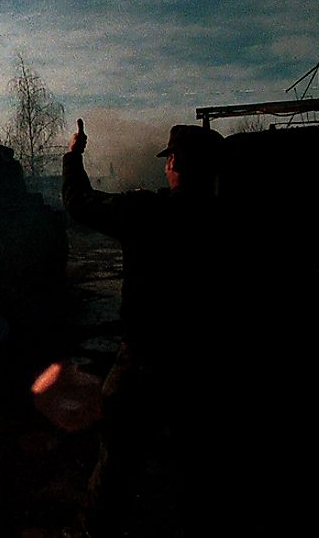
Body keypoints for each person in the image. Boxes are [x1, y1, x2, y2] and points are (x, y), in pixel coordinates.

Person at [62, 119, 226, 538]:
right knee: (197, 463)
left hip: (144, 359)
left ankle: (98, 529)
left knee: (118, 458)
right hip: (207, 362)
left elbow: (80, 203)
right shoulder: (231, 221)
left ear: (174, 162)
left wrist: (74, 155)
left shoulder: (147, 211)